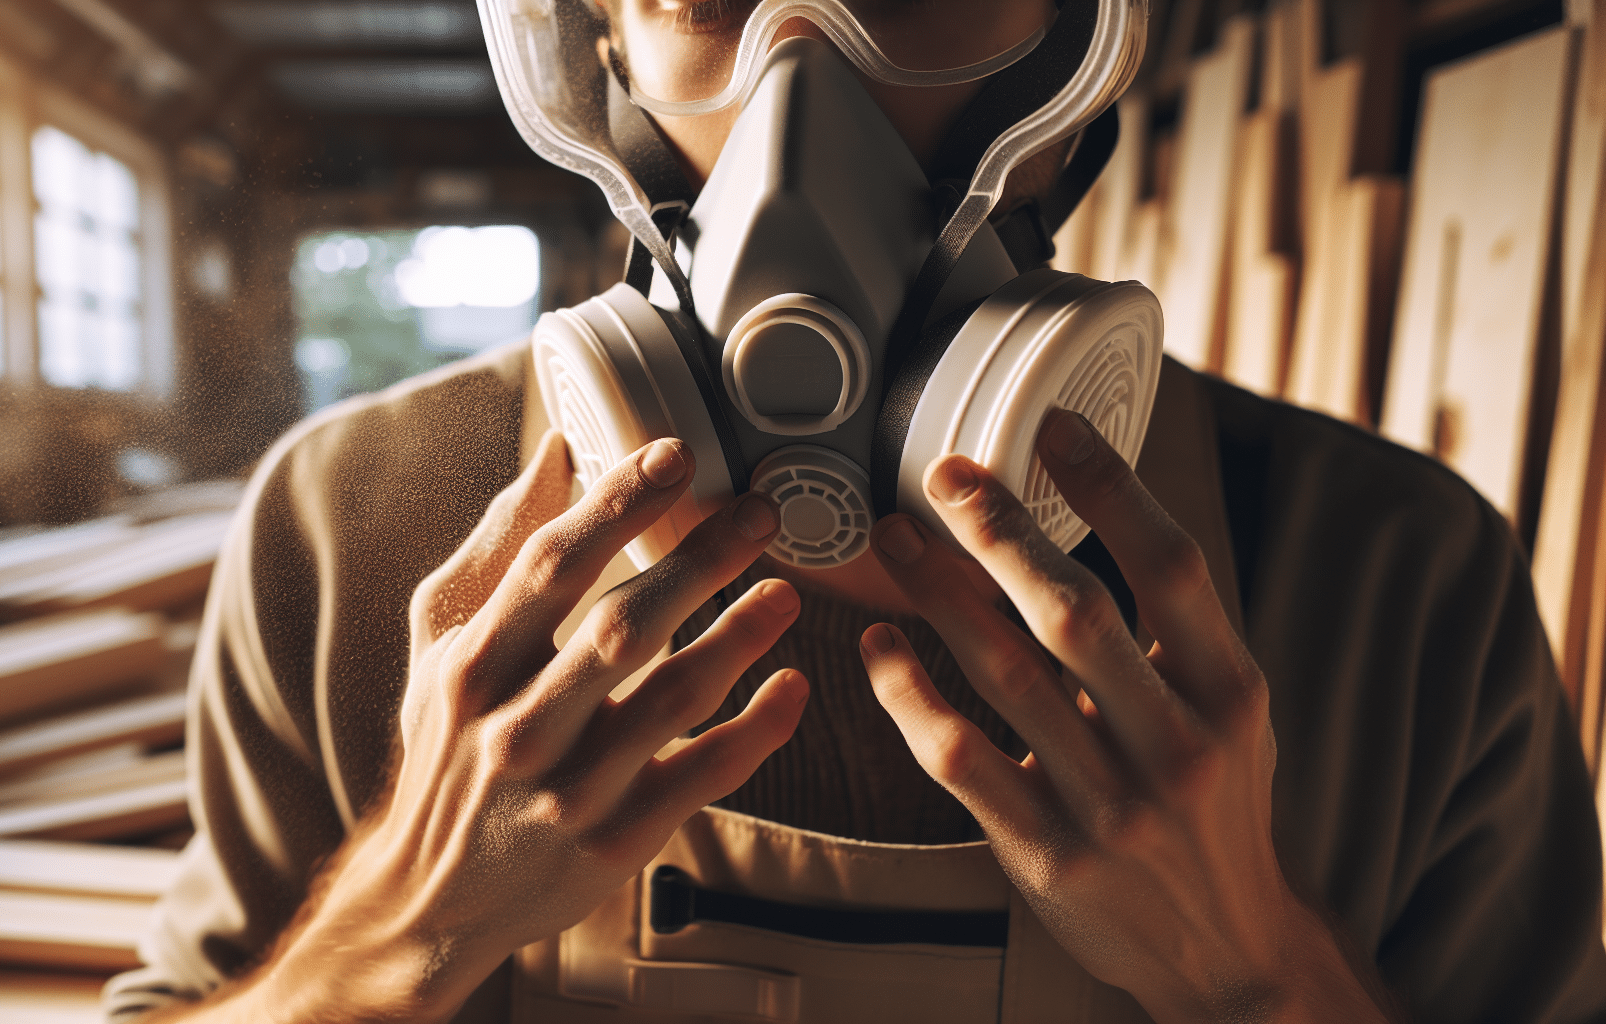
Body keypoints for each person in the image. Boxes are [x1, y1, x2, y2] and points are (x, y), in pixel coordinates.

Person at [105, 2, 1606, 1021]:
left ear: (1070, 43)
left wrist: (1262, 977)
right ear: (598, 41)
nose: (796, 106)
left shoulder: (1399, 587)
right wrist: (388, 936)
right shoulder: (353, 530)